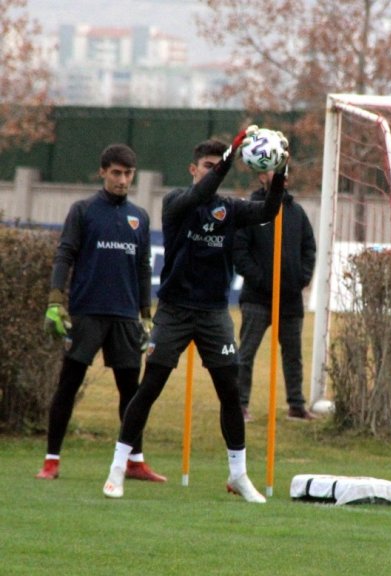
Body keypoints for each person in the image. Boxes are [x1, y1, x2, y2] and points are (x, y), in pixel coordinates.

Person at [102, 128, 286, 503]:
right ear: (192, 168)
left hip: (214, 313)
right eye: (207, 165)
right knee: (149, 387)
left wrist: (280, 170)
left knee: (230, 392)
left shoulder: (230, 208)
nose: (213, 171)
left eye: (218, 166)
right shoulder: (176, 202)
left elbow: (269, 210)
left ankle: (238, 476)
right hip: (174, 310)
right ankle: (117, 468)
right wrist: (230, 159)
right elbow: (201, 193)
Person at [36, 143, 165, 483]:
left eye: (128, 174)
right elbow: (65, 255)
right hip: (87, 313)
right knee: (68, 385)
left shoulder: (139, 216)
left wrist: (145, 314)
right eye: (117, 173)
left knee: (130, 392)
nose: (123, 180)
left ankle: (135, 461)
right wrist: (55, 299)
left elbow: (142, 268)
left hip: (124, 317)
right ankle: (51, 461)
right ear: (103, 172)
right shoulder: (83, 210)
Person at [234, 168, 317, 422]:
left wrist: (301, 278)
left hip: (290, 299)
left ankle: (296, 405)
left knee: (293, 355)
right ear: (262, 177)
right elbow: (239, 252)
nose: (284, 177)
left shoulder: (297, 212)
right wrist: (262, 281)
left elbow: (309, 248)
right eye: (275, 172)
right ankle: (240, 405)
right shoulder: (250, 210)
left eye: (286, 173)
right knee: (246, 354)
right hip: (257, 298)